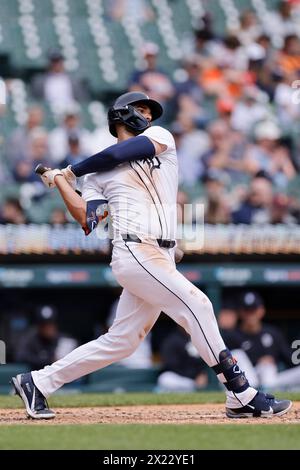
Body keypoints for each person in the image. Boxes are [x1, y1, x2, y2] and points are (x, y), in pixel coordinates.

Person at [12, 91, 292, 419]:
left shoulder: (159, 137)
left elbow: (125, 152)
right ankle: (240, 391)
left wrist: (70, 170)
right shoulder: (96, 175)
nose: (147, 116)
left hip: (161, 253)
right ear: (121, 114)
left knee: (123, 341)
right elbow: (89, 220)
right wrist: (61, 181)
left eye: (149, 111)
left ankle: (38, 382)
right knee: (199, 304)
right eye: (141, 109)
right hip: (134, 249)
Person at [222, 291, 300, 391]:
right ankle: (253, 391)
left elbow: (290, 360)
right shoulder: (232, 335)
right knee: (238, 354)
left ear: (261, 310)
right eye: (247, 310)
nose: (250, 314)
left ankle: (268, 390)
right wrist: (258, 362)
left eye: (253, 310)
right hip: (246, 380)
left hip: (271, 379)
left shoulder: (272, 333)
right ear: (241, 312)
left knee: (267, 367)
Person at [15, 305, 77, 370]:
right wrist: (48, 360)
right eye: (44, 324)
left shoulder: (65, 340)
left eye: (50, 323)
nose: (48, 328)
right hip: (36, 375)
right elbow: (20, 356)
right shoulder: (30, 338)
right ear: (38, 326)